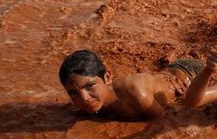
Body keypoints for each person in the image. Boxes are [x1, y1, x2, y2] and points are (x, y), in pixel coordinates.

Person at [59, 49, 205, 119]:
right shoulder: (88, 104)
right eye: (73, 93)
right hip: (166, 72)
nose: (84, 98)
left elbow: (163, 122)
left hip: (189, 73)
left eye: (90, 86)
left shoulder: (135, 94)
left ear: (107, 77)